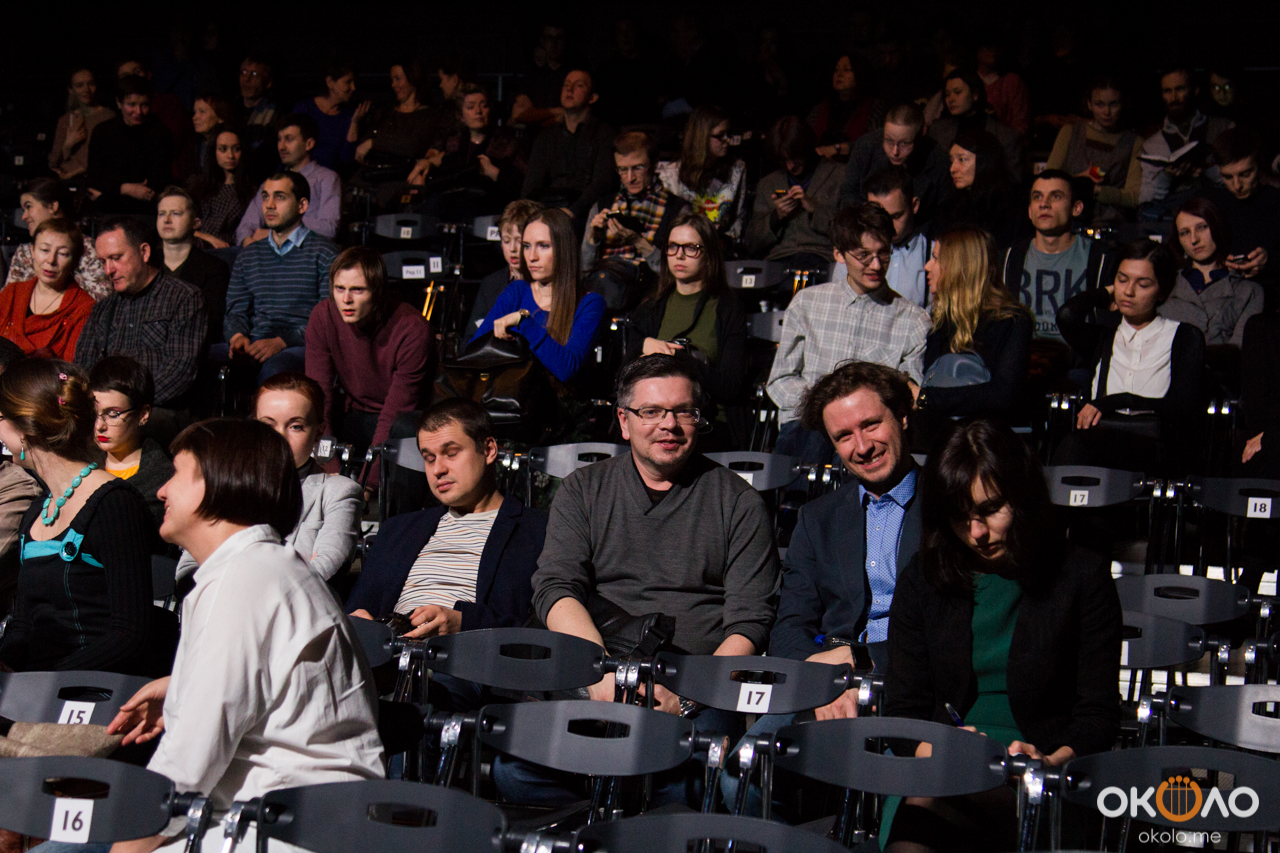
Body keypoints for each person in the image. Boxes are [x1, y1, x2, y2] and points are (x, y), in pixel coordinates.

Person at [94, 419, 383, 853]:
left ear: (217, 483)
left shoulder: (245, 579)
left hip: (285, 830)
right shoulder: (261, 569)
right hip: (271, 819)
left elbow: (187, 765)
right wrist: (182, 688)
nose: (162, 491)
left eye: (177, 474)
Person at [882, 419, 1122, 852]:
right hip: (939, 764)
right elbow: (903, 709)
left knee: (928, 813)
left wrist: (1049, 760)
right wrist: (941, 750)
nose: (976, 533)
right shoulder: (924, 579)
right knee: (931, 799)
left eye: (990, 510)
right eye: (960, 518)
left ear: (1023, 497)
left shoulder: (1081, 576)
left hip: (1041, 776)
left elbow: (1098, 715)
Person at [719, 362, 922, 812]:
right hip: (824, 684)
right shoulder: (818, 519)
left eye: (871, 424)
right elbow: (788, 629)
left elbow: (954, 631)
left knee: (904, 802)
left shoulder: (950, 508)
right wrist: (824, 680)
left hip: (911, 686)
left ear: (903, 417)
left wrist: (862, 663)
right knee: (741, 776)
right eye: (843, 436)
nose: (862, 446)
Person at [531, 353, 778, 676]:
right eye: (651, 412)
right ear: (624, 421)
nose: (669, 424)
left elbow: (751, 620)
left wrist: (693, 693)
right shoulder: (583, 489)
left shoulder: (739, 502)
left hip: (696, 675)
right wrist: (598, 671)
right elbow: (556, 586)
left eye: (683, 412)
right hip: (597, 661)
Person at [346, 399, 548, 698]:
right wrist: (359, 625)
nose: (438, 469)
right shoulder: (399, 530)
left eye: (451, 453)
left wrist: (464, 624)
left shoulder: (538, 530)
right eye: (428, 458)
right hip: (385, 661)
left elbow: (539, 634)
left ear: (488, 450)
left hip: (467, 668)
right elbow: (354, 611)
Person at [0, 360, 157, 676]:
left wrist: (43, 681)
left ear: (26, 428)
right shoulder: (37, 512)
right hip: (35, 690)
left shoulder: (114, 504)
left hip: (90, 693)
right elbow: (23, 625)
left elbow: (130, 634)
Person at [767, 203, 930, 463]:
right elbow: (781, 380)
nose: (876, 264)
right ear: (839, 254)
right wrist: (828, 411)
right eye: (863, 255)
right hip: (809, 426)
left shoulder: (912, 319)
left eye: (883, 253)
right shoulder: (807, 303)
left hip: (870, 432)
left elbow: (907, 393)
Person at [175, 375, 362, 587]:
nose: (279, 438)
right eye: (268, 425)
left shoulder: (338, 492)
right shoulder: (226, 486)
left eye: (295, 426)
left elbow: (326, 569)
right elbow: (189, 568)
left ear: (318, 432)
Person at [1054, 240, 1205, 474]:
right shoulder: (1104, 336)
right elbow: (1067, 315)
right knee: (1070, 447)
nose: (1128, 291)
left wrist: (1117, 401)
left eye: (1143, 284)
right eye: (1122, 280)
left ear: (1162, 291)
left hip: (1154, 447)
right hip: (1101, 441)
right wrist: (1106, 293)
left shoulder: (1183, 336)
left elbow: (1182, 407)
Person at [305, 247, 432, 483]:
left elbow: (395, 413)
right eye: (339, 289)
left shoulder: (411, 328)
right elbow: (318, 399)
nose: (346, 299)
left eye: (357, 290)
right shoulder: (323, 316)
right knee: (297, 413)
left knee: (403, 429)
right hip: (355, 414)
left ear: (377, 292)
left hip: (404, 421)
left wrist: (367, 484)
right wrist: (331, 473)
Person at [624, 211, 748, 443]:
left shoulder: (728, 307)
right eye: (672, 247)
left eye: (691, 248)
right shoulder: (651, 307)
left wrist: (677, 359)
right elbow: (623, 378)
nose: (679, 255)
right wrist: (641, 346)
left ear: (709, 254)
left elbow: (731, 386)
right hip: (655, 422)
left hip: (709, 424)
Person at [74, 216, 208, 410]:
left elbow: (180, 372)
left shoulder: (184, 298)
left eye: (116, 258)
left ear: (144, 252)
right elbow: (82, 367)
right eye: (103, 261)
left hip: (158, 408)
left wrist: (128, 408)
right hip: (105, 409)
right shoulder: (104, 309)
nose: (108, 270)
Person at [222, 171, 338, 385]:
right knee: (203, 357)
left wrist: (281, 342)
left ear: (302, 206)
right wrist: (237, 336)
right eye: (265, 197)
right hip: (255, 340)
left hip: (299, 344)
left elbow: (328, 320)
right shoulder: (249, 255)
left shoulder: (324, 253)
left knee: (275, 369)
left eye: (280, 197)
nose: (269, 205)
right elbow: (235, 311)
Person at [473, 208, 607, 384]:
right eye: (527, 246)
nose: (531, 257)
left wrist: (523, 321)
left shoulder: (589, 303)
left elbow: (567, 369)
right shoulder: (517, 291)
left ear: (564, 249)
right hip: (508, 396)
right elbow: (475, 352)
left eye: (543, 246)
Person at [919, 226, 1032, 423]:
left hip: (985, 433)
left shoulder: (1012, 322)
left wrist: (926, 399)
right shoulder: (941, 319)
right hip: (940, 430)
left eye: (936, 258)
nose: (927, 266)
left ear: (959, 267)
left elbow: (1002, 395)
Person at [1000, 170, 1113, 340]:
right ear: (1030, 211)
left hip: (1078, 354)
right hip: (1024, 353)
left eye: (1056, 197)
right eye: (1037, 197)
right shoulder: (1008, 259)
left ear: (1076, 208)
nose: (1044, 204)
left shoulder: (1100, 259)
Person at [582, 131, 688, 312]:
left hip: (650, 301)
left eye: (638, 168)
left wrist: (639, 242)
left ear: (654, 164)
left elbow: (680, 272)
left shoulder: (676, 210)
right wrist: (593, 239)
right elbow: (583, 271)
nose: (630, 178)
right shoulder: (602, 206)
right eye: (622, 169)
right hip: (603, 295)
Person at [1160, 196, 1262, 349]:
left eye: (1202, 227)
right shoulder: (1166, 285)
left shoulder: (1248, 291)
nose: (1194, 239)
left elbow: (1238, 351)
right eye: (1185, 232)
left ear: (1217, 227)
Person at [521, 69, 616, 223]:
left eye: (578, 85)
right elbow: (531, 185)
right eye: (566, 85)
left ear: (592, 97)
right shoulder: (546, 137)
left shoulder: (604, 134)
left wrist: (573, 212)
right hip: (549, 211)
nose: (569, 89)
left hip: (586, 213)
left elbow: (602, 183)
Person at [89, 356, 173, 526]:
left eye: (113, 414)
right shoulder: (79, 463)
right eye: (93, 413)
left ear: (143, 414)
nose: (99, 426)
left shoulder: (161, 478)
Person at [748, 116, 845, 265]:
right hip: (779, 262)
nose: (790, 167)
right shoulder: (768, 184)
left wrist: (813, 209)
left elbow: (851, 235)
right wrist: (776, 217)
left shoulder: (839, 176)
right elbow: (751, 244)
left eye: (795, 159)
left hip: (823, 259)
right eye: (784, 161)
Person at [1137, 67, 1232, 217]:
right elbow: (1145, 198)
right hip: (1173, 217)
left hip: (1217, 212)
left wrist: (1206, 169)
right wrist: (1167, 176)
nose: (1174, 97)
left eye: (1180, 89)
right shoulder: (1152, 144)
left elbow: (1239, 181)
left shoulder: (1222, 128)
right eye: (1167, 91)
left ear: (1195, 90)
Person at [1045, 76, 1141, 222]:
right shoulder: (1070, 133)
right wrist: (1080, 181)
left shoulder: (1134, 142)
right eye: (1099, 104)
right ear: (1089, 104)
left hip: (1113, 222)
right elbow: (1048, 181)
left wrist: (1096, 190)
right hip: (1069, 218)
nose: (1106, 112)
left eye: (1113, 104)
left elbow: (1134, 197)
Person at [834, 165, 932, 309]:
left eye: (896, 216)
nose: (888, 226)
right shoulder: (853, 251)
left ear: (914, 206)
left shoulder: (932, 254)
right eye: (879, 216)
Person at [235, 113, 342, 244]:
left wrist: (278, 232)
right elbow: (245, 226)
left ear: (308, 144)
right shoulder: (272, 182)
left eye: (289, 139)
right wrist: (247, 242)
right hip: (268, 252)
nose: (282, 147)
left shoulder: (327, 179)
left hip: (306, 251)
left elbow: (330, 229)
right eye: (279, 140)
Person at [837, 103, 950, 224]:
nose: (895, 152)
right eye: (889, 141)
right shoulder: (866, 146)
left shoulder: (938, 160)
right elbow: (847, 193)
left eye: (904, 143)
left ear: (920, 137)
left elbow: (942, 213)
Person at [0, 219, 96, 360]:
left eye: (63, 253)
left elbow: (72, 370)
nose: (51, 260)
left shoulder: (83, 309)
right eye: (44, 250)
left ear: (75, 260)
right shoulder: (12, 293)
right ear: (32, 250)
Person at [1200, 128, 1280, 297]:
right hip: (1221, 294)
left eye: (1245, 174)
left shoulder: (1275, 201)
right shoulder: (1211, 204)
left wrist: (1269, 260)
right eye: (1228, 177)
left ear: (1259, 166)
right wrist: (1217, 262)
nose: (1237, 186)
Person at [4, 178, 111, 301]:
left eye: (29, 207)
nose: (24, 216)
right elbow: (7, 301)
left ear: (52, 206)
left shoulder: (89, 248)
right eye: (44, 250)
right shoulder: (24, 252)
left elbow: (101, 302)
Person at [656, 106, 749, 243]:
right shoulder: (671, 175)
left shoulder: (737, 169)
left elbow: (738, 218)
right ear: (701, 137)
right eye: (720, 135)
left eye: (728, 134)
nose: (727, 140)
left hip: (721, 244)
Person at [156, 186, 232, 350]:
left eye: (176, 213)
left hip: (188, 347)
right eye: (161, 214)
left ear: (196, 223)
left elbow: (210, 322)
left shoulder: (214, 268)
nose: (166, 219)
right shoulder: (146, 263)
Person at [85, 75, 174, 214]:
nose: (138, 112)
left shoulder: (160, 133)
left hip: (144, 210)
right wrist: (127, 188)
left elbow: (156, 185)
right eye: (131, 105)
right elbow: (94, 179)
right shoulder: (103, 132)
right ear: (119, 102)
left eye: (144, 105)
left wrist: (108, 193)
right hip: (108, 211)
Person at [934, 128, 1025, 249]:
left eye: (962, 160)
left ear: (984, 161)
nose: (952, 169)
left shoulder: (1010, 205)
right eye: (951, 161)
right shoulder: (950, 207)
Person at [349, 59, 443, 173]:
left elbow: (414, 147)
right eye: (392, 80)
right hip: (377, 173)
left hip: (405, 176)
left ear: (413, 78)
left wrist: (374, 143)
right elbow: (363, 145)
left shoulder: (429, 115)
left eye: (398, 79)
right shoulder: (385, 113)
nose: (393, 85)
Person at [927, 68, 1022, 179]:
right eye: (947, 94)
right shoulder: (938, 131)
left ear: (975, 94)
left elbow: (1012, 181)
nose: (950, 99)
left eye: (957, 92)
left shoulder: (1005, 136)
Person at [469, 200, 542, 330]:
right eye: (506, 241)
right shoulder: (490, 284)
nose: (512, 249)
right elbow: (471, 336)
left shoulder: (546, 284)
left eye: (519, 241)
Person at [189, 125, 254, 250]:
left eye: (236, 149)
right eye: (223, 149)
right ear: (214, 152)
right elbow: (183, 224)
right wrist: (207, 238)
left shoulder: (250, 192)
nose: (230, 155)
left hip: (228, 249)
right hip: (197, 244)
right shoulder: (199, 186)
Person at [808, 54, 881, 159]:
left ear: (860, 74)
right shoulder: (820, 109)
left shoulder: (873, 108)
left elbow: (874, 144)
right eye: (836, 70)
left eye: (846, 70)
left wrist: (837, 149)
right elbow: (804, 140)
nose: (839, 74)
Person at [48, 67, 115, 181]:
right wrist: (67, 145)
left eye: (91, 84)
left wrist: (76, 172)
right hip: (67, 181)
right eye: (79, 85)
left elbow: (109, 158)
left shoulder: (107, 116)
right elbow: (53, 163)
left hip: (94, 180)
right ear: (71, 89)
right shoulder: (65, 120)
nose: (86, 89)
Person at [293, 59, 358, 171]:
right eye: (348, 82)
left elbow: (347, 158)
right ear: (330, 82)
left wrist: (355, 123)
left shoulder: (348, 116)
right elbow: (291, 146)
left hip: (330, 177)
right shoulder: (305, 108)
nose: (353, 88)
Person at [233, 54, 280, 183]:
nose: (246, 79)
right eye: (243, 73)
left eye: (254, 74)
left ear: (268, 83)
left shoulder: (274, 114)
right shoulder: (230, 110)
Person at [182, 93, 232, 182]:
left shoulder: (227, 144)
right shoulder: (197, 144)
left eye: (202, 112)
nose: (195, 117)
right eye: (195, 112)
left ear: (220, 117)